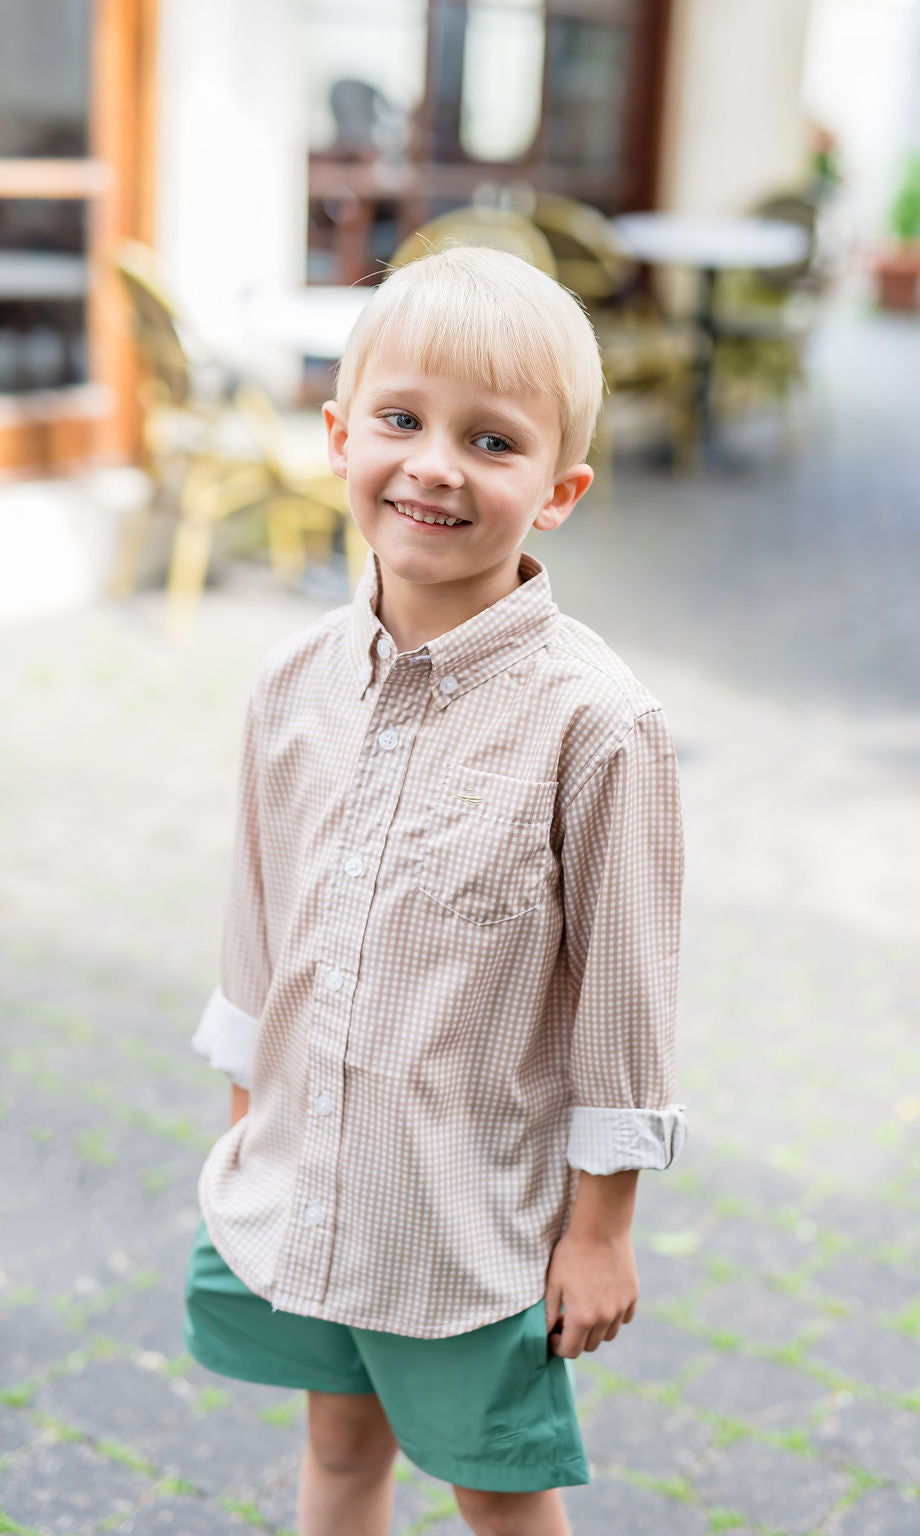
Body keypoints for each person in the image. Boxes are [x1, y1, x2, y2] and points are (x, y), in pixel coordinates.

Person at [184, 245, 686, 1536]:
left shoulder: (599, 726)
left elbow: (625, 1016)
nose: (435, 466)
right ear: (340, 430)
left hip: (466, 1224)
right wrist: (253, 1119)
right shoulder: (291, 684)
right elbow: (259, 931)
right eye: (401, 420)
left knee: (498, 1495)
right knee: (342, 1453)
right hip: (311, 1175)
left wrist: (600, 1233)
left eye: (492, 440)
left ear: (560, 489)